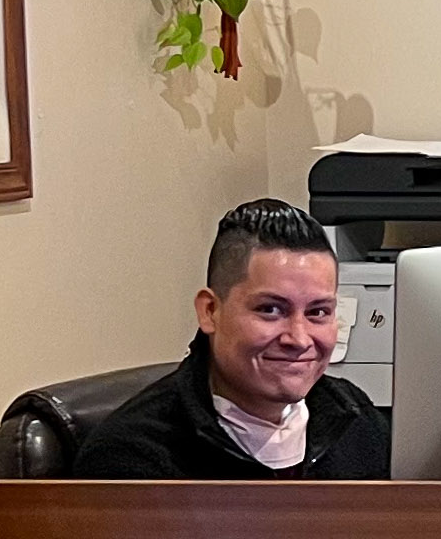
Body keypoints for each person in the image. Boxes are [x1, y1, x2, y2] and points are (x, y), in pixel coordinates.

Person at [74, 198, 392, 480]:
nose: (298, 338)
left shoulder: (355, 420)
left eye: (318, 312)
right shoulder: (133, 459)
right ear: (210, 311)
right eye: (270, 309)